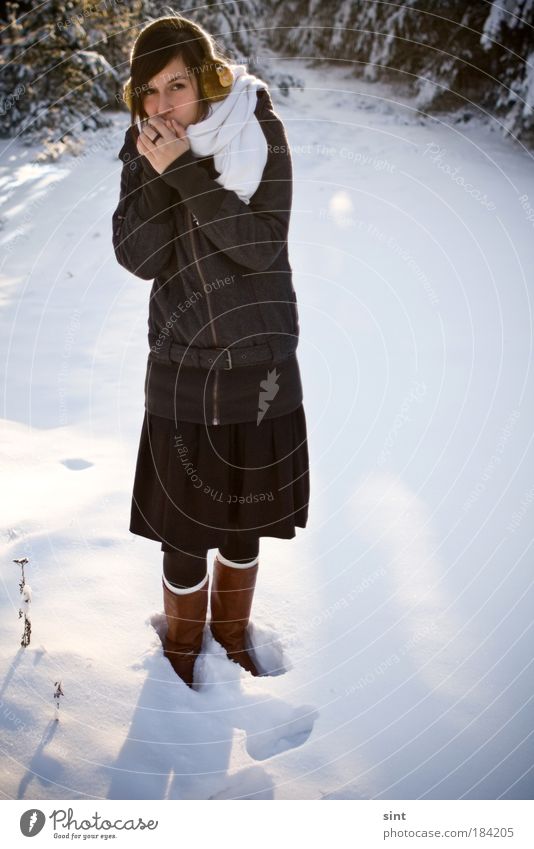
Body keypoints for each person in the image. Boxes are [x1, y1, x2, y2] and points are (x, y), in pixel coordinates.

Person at [112, 12, 310, 689]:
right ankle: (181, 647)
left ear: (204, 79)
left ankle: (231, 634)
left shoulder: (257, 130)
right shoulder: (143, 147)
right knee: (184, 527)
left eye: (176, 86)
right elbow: (138, 257)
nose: (164, 106)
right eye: (150, 91)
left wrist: (190, 173)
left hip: (259, 366)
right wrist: (160, 173)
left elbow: (259, 245)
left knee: (244, 520)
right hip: (181, 369)